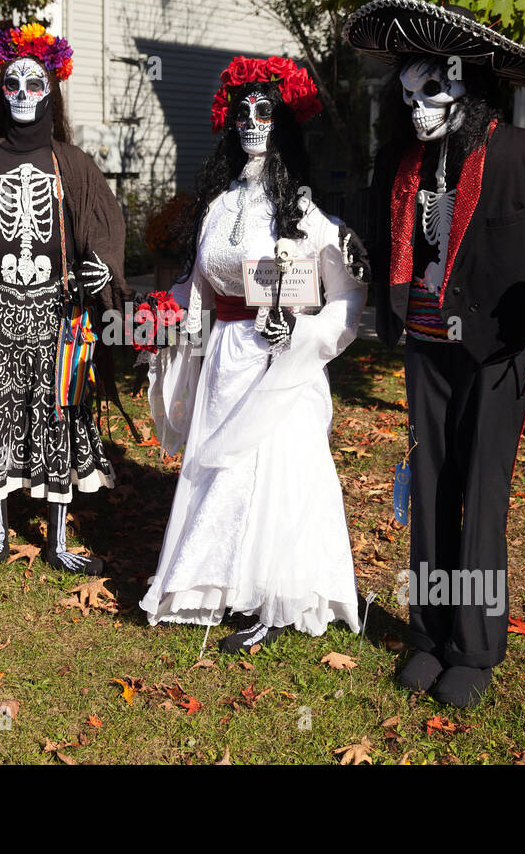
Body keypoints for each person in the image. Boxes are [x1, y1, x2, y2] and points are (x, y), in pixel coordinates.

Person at [345, 0, 525, 706]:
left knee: (482, 493)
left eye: (434, 91)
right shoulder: (402, 164)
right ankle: (427, 634)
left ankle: (475, 648)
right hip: (424, 348)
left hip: (494, 354)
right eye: (407, 94)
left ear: (472, 87)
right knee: (429, 490)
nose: (418, 108)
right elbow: (381, 246)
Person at [141, 55, 370, 653]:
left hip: (281, 367)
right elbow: (198, 289)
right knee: (222, 471)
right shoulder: (218, 208)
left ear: (283, 121)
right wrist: (163, 317)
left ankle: (274, 592)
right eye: (241, 112)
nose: (251, 122)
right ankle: (207, 585)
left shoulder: (310, 213)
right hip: (225, 359)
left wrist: (300, 337)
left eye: (264, 110)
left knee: (274, 472)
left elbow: (346, 300)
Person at [0, 23, 137, 576]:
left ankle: (57, 538)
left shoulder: (72, 163)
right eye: (13, 85)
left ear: (51, 92)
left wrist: (102, 271)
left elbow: (104, 227)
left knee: (59, 415)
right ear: (2, 93)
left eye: (34, 85)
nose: (23, 94)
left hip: (57, 310)